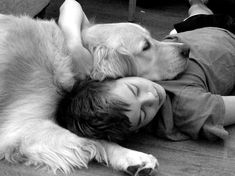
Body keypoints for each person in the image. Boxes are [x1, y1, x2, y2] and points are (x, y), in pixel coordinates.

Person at [55, 0, 235, 142]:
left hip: (189, 30)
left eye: (134, 89)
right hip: (228, 37)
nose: (152, 97)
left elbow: (70, 4)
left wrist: (74, 45)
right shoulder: (185, 105)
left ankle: (196, 4)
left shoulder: (96, 72)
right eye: (142, 115)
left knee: (198, 12)